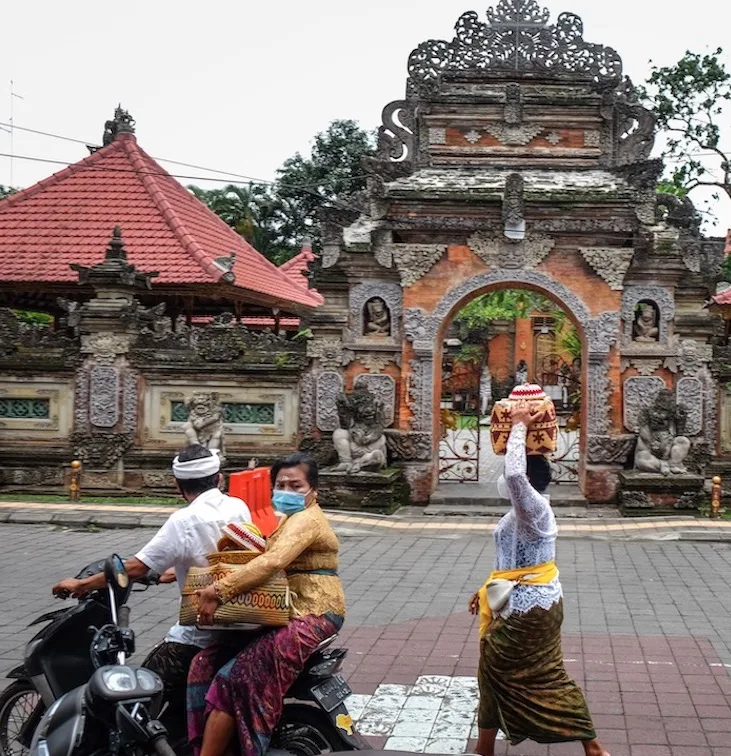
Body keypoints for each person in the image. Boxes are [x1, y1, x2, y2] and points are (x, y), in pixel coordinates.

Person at [52, 444, 251, 741]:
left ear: (177, 485)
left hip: (198, 636)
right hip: (238, 623)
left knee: (133, 696)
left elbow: (134, 568)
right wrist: (176, 570)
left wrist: (79, 585)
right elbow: (221, 556)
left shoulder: (184, 521)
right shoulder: (238, 506)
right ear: (219, 479)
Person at [469, 402, 609, 756]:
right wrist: (484, 589)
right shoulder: (521, 514)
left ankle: (592, 744)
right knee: (496, 671)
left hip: (530, 610)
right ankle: (485, 747)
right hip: (521, 601)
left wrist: (517, 427)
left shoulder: (534, 510)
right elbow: (511, 563)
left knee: (537, 676)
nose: (504, 479)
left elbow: (515, 477)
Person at [188, 452, 345, 756]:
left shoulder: (307, 520)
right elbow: (263, 553)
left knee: (230, 679)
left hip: (314, 613)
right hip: (287, 610)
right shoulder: (289, 519)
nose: (286, 491)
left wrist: (219, 590)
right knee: (204, 663)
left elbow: (273, 561)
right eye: (281, 484)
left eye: (296, 486)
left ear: (314, 491)